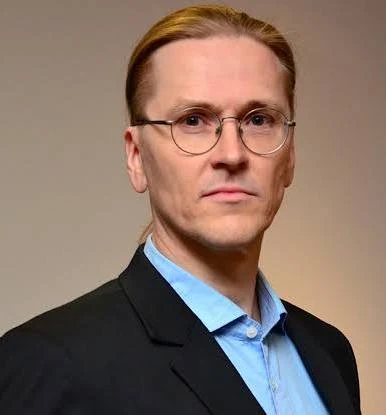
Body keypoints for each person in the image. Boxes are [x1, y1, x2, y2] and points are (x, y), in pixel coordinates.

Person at [0, 5, 361, 415]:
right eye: (193, 120)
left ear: (290, 155)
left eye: (259, 119)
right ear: (137, 157)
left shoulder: (329, 353)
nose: (232, 154)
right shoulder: (50, 362)